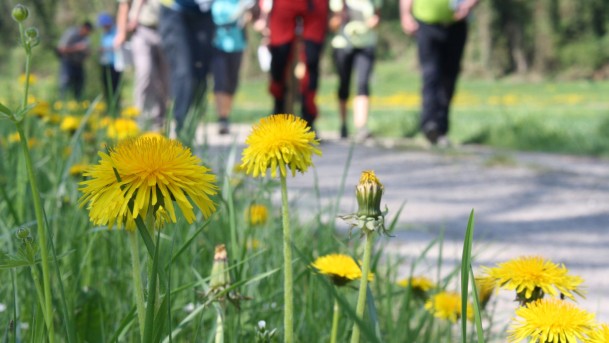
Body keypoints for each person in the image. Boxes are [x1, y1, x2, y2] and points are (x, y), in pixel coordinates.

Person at [400, 0, 479, 145]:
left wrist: (469, 4)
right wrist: (405, 14)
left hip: (456, 25)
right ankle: (429, 124)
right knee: (430, 74)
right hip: (426, 23)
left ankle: (441, 129)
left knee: (449, 77)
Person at [258, 0, 329, 133]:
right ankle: (278, 111)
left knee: (311, 60)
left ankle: (308, 116)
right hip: (284, 4)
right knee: (279, 55)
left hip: (314, 5)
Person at [158, 0, 215, 136]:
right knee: (183, 71)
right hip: (173, 10)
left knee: (201, 71)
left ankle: (193, 121)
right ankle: (181, 127)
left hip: (204, 12)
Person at [329, 0, 381, 141]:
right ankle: (343, 124)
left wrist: (374, 22)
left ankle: (361, 127)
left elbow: (377, 17)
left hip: (366, 45)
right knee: (344, 84)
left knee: (363, 83)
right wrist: (339, 20)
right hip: (343, 46)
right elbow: (332, 24)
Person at [114, 0, 169, 132]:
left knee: (165, 78)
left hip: (165, 29)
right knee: (145, 72)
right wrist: (121, 32)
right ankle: (140, 117)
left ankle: (160, 118)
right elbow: (124, 5)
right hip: (142, 30)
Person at [211, 0, 254, 135]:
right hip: (218, 45)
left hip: (237, 45)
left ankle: (226, 116)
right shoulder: (216, 3)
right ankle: (222, 117)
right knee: (220, 81)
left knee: (231, 82)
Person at [57, 21, 93, 101]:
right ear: (83, 28)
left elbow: (88, 52)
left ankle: (77, 103)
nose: (88, 33)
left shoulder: (86, 38)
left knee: (79, 85)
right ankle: (62, 103)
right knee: (65, 83)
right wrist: (77, 48)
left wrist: (87, 52)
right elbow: (61, 49)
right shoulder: (71, 33)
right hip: (68, 62)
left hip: (79, 64)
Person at [97, 13, 122, 113]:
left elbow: (118, 46)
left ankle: (116, 108)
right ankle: (108, 108)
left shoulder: (117, 32)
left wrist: (106, 49)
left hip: (115, 65)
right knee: (106, 87)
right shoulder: (103, 34)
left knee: (115, 87)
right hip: (104, 64)